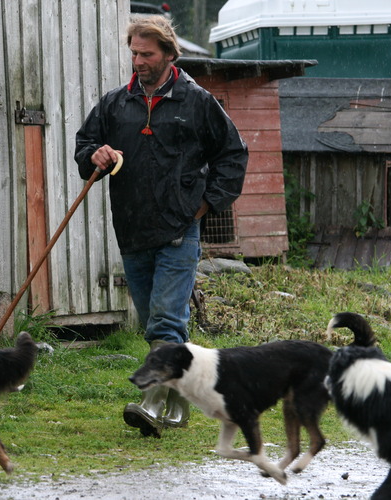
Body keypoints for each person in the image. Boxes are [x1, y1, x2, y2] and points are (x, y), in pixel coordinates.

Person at [74, 15, 248, 437]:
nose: (137, 61)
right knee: (161, 321)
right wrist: (94, 154)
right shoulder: (116, 103)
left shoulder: (197, 101)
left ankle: (150, 403)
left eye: (146, 54)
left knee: (164, 323)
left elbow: (233, 154)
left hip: (178, 230)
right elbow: (84, 147)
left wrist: (204, 205)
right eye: (133, 52)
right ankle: (180, 407)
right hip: (132, 228)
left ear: (169, 55)